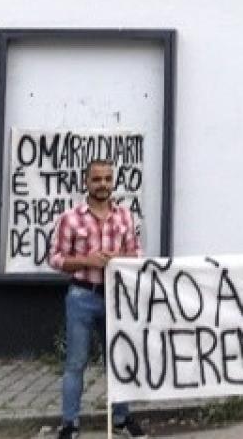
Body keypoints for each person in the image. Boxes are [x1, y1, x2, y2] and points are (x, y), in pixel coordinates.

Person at [49, 159, 147, 439]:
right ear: (86, 182)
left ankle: (121, 418)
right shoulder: (70, 218)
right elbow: (55, 259)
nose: (102, 184)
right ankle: (70, 424)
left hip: (116, 298)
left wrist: (118, 258)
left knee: (117, 361)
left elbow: (138, 254)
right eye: (97, 179)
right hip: (81, 295)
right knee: (76, 363)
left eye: (107, 179)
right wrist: (86, 261)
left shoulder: (125, 216)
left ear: (112, 181)